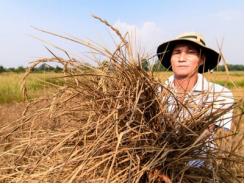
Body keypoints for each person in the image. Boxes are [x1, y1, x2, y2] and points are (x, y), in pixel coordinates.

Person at [154, 32, 234, 181]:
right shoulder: (154, 93)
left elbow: (203, 132)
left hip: (198, 173)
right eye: (177, 52)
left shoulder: (220, 94)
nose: (182, 58)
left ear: (202, 60)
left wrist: (170, 169)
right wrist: (155, 168)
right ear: (170, 59)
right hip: (154, 170)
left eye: (190, 52)